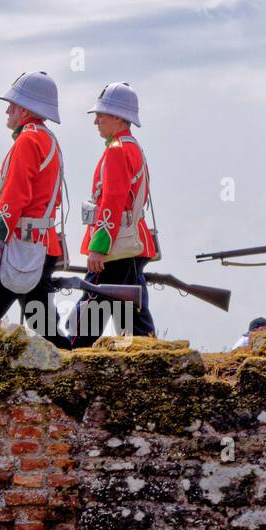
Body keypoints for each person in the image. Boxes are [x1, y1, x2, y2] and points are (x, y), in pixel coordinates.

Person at [0, 71, 68, 347]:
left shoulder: (28, 141)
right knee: (47, 330)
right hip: (40, 246)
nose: (8, 109)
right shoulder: (48, 140)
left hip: (17, 246)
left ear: (25, 109)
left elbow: (12, 200)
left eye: (13, 104)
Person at [69, 82, 158, 347]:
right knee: (132, 315)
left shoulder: (118, 150)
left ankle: (73, 358)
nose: (96, 120)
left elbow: (112, 202)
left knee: (91, 308)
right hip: (128, 242)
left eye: (102, 114)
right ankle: (151, 355)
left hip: (115, 245)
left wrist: (99, 247)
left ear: (118, 117)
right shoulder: (130, 147)